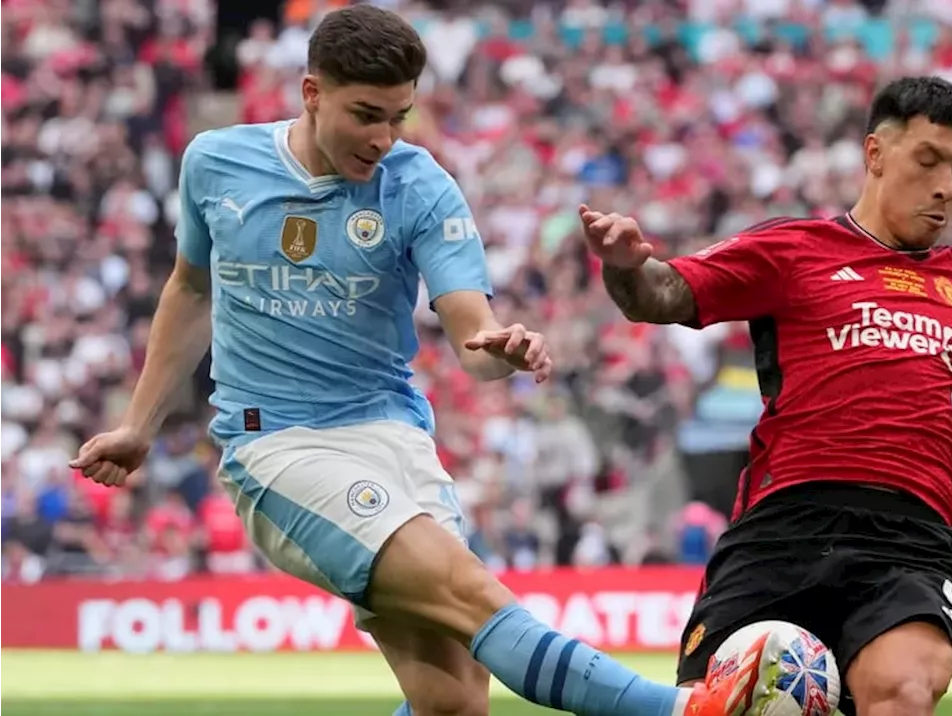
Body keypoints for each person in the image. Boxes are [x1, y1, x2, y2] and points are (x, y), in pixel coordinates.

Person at [69, 6, 770, 716]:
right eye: (366, 114)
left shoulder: (420, 186)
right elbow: (191, 287)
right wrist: (139, 424)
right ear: (312, 93)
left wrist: (500, 346)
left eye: (399, 117)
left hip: (396, 439)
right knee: (472, 596)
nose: (383, 138)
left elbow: (473, 333)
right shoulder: (216, 162)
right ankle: (682, 710)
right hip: (279, 442)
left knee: (453, 702)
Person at [578, 76, 952, 716]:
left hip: (911, 536)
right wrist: (624, 267)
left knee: (902, 692)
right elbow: (662, 294)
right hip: (782, 526)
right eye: (928, 161)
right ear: (875, 154)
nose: (947, 186)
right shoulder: (792, 250)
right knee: (716, 703)